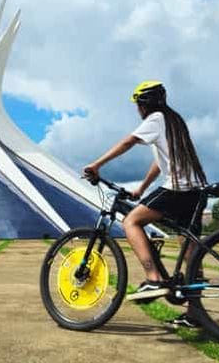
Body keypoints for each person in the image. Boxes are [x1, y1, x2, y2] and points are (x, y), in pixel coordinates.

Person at [83, 80, 207, 328]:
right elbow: (161, 162)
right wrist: (141, 188)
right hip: (195, 190)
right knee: (191, 254)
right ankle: (196, 314)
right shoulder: (174, 121)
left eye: (138, 105)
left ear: (143, 104)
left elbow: (127, 142)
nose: (137, 110)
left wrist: (97, 165)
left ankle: (153, 278)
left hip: (178, 189)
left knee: (131, 221)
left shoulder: (155, 119)